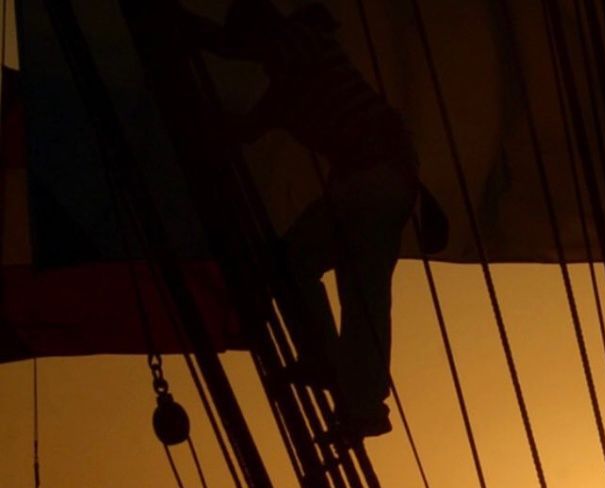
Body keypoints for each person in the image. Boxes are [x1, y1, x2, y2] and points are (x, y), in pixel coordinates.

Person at [182, 0, 448, 440]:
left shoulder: (303, 47)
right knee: (298, 267)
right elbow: (245, 126)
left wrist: (182, 28)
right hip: (368, 184)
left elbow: (240, 53)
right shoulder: (291, 76)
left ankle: (362, 404)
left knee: (355, 291)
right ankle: (334, 369)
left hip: (374, 180)